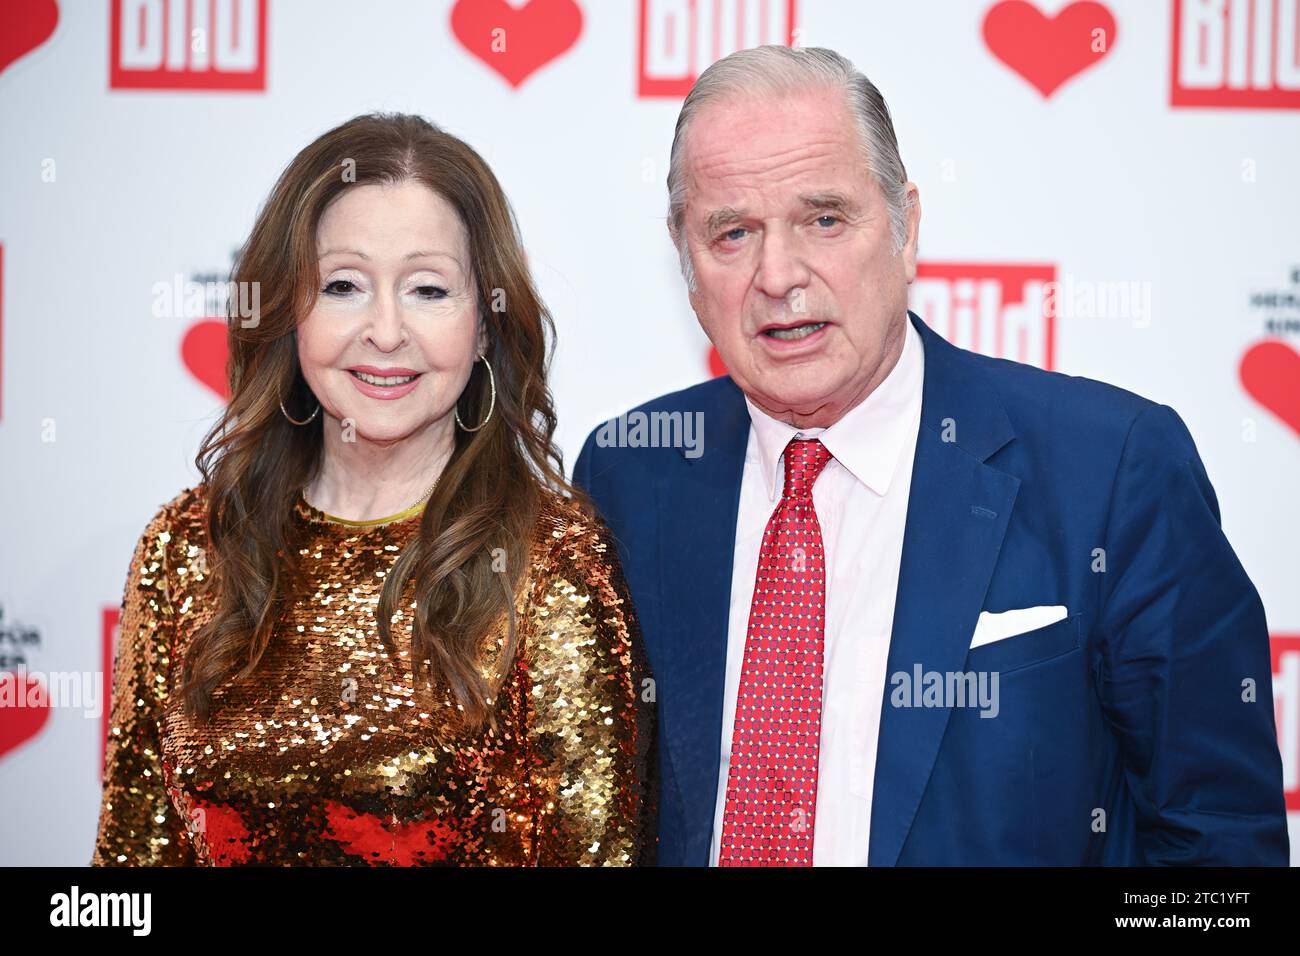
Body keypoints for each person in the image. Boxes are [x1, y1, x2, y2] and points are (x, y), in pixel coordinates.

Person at [573, 46, 1289, 866]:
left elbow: (1222, 851)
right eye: (732, 233)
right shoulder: (629, 473)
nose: (778, 275)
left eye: (825, 218)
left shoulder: (1113, 468)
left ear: (907, 227)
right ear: (687, 261)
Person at [92, 112, 654, 866]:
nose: (385, 331)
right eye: (344, 285)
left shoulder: (550, 563)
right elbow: (130, 863)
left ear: (485, 326)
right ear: (290, 313)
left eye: (428, 289)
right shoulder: (189, 548)